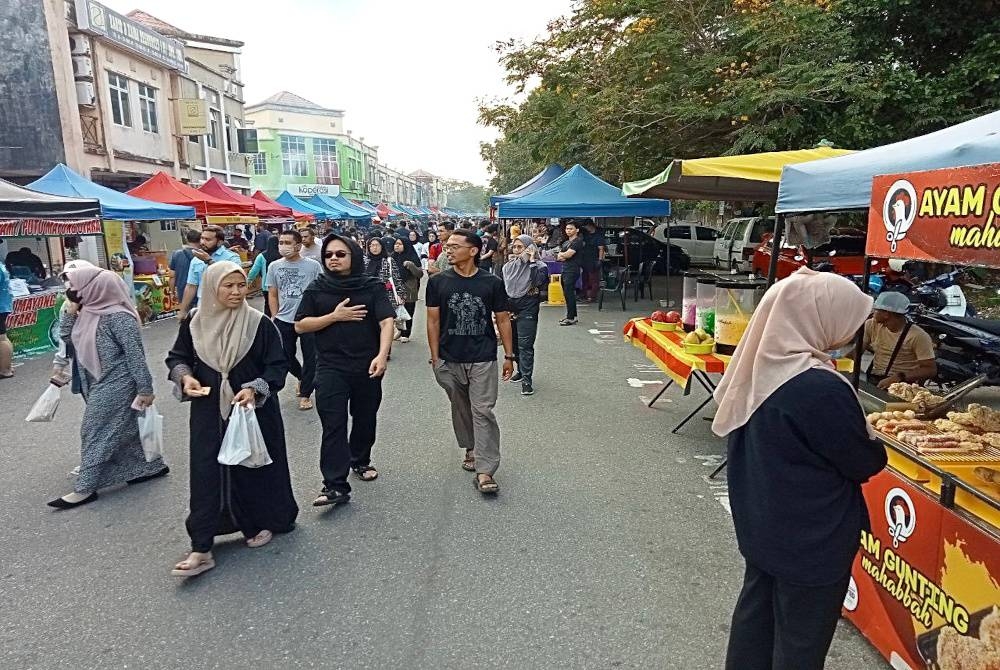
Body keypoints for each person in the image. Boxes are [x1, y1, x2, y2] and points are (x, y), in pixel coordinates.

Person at [711, 268, 887, 670]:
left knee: (756, 623)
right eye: (847, 320)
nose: (849, 333)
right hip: (811, 539)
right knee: (801, 643)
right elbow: (863, 462)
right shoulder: (816, 387)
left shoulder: (758, 367)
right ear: (819, 318)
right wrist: (871, 438)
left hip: (762, 525)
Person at [166, 261, 298, 577]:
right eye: (229, 286)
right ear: (213, 288)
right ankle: (202, 545)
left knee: (251, 467)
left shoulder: (258, 324)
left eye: (241, 285)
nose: (237, 292)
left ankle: (258, 523)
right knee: (207, 471)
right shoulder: (196, 322)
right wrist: (186, 378)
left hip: (252, 412)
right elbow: (178, 357)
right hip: (209, 411)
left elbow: (277, 365)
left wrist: (254, 388)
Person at [48, 267, 168, 509]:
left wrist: (145, 388)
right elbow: (67, 338)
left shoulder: (120, 317)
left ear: (94, 287)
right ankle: (145, 468)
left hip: (118, 382)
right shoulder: (88, 312)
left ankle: (86, 488)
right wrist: (71, 312)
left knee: (94, 431)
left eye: (74, 286)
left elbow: (136, 356)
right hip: (95, 380)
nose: (70, 292)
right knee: (123, 430)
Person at [295, 234, 395, 507]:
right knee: (333, 425)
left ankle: (360, 460)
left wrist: (382, 355)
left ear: (353, 255)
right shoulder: (317, 288)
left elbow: (387, 321)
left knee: (365, 417)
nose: (334, 259)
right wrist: (333, 317)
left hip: (367, 365)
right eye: (328, 255)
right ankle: (334, 485)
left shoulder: (371, 286)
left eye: (340, 254)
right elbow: (300, 325)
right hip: (330, 367)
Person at [427, 229, 514, 495]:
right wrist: (435, 357)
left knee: (483, 410)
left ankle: (485, 470)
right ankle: (471, 446)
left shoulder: (491, 282)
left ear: (473, 250)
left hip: (483, 356)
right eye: (447, 246)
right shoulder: (438, 282)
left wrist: (509, 356)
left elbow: (502, 318)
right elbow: (433, 321)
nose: (448, 250)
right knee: (461, 405)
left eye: (454, 246)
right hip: (449, 357)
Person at [267, 230, 322, 411]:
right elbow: (273, 293)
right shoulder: (274, 266)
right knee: (284, 356)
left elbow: (320, 289)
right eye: (281, 242)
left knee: (311, 358)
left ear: (298, 245)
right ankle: (301, 376)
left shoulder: (313, 266)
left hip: (308, 319)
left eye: (287, 242)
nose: (283, 246)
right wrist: (274, 316)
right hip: (283, 319)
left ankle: (306, 393)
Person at [502, 235, 548, 396]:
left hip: (528, 307)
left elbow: (536, 282)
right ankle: (521, 371)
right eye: (514, 247)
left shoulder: (540, 266)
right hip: (510, 308)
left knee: (525, 345)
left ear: (530, 248)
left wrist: (532, 261)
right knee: (513, 343)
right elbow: (504, 287)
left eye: (520, 247)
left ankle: (527, 380)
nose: (516, 251)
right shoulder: (509, 266)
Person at [863, 291, 937, 389]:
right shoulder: (871, 325)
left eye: (876, 310)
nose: (873, 313)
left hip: (903, 386)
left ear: (886, 313)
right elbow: (858, 350)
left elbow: (930, 369)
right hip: (874, 378)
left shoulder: (918, 336)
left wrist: (899, 377)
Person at [177, 226, 242, 320]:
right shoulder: (196, 260)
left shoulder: (231, 258)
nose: (203, 242)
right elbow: (191, 286)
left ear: (219, 242)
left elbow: (234, 279)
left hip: (227, 309)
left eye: (208, 239)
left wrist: (209, 261)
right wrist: (183, 310)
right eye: (202, 238)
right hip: (203, 308)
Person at [392, 235, 424, 343]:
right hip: (396, 289)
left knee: (409, 310)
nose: (397, 246)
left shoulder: (412, 257)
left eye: (400, 244)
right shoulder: (393, 257)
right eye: (396, 244)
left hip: (409, 288)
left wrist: (411, 266)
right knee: (397, 311)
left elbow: (420, 274)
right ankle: (400, 330)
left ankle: (406, 333)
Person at [364, 236, 404, 316]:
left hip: (386, 296)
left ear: (382, 247)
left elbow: (396, 278)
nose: (374, 248)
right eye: (372, 245)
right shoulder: (365, 261)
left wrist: (401, 295)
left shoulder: (388, 260)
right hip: (367, 296)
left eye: (377, 245)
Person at [556, 221, 585, 325]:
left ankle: (570, 317)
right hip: (565, 269)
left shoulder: (578, 241)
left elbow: (568, 254)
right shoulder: (566, 242)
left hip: (573, 269)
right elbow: (559, 256)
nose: (568, 231)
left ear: (577, 230)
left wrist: (563, 255)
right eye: (567, 229)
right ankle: (573, 316)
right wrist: (563, 255)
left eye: (571, 229)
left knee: (569, 293)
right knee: (567, 293)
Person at [247, 236, 281, 317]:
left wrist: (248, 280)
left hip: (267, 286)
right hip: (281, 285)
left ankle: (269, 322)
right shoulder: (282, 255)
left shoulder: (261, 256)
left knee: (268, 305)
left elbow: (254, 270)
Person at [169, 229, 203, 303]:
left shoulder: (176, 254)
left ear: (187, 239)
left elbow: (172, 276)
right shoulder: (204, 255)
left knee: (186, 312)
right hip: (200, 292)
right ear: (200, 240)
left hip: (182, 291)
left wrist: (172, 292)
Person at [581, 221, 605, 302]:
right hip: (585, 259)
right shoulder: (586, 235)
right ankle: (584, 295)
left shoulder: (598, 236)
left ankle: (592, 297)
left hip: (594, 260)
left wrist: (600, 260)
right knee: (585, 279)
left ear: (591, 226)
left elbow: (601, 249)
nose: (586, 228)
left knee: (594, 279)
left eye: (587, 226)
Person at [0, 260, 13, 379]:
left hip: (1, 306)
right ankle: (6, 366)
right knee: (3, 337)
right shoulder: (1, 265)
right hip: (3, 304)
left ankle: (5, 369)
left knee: (1, 338)